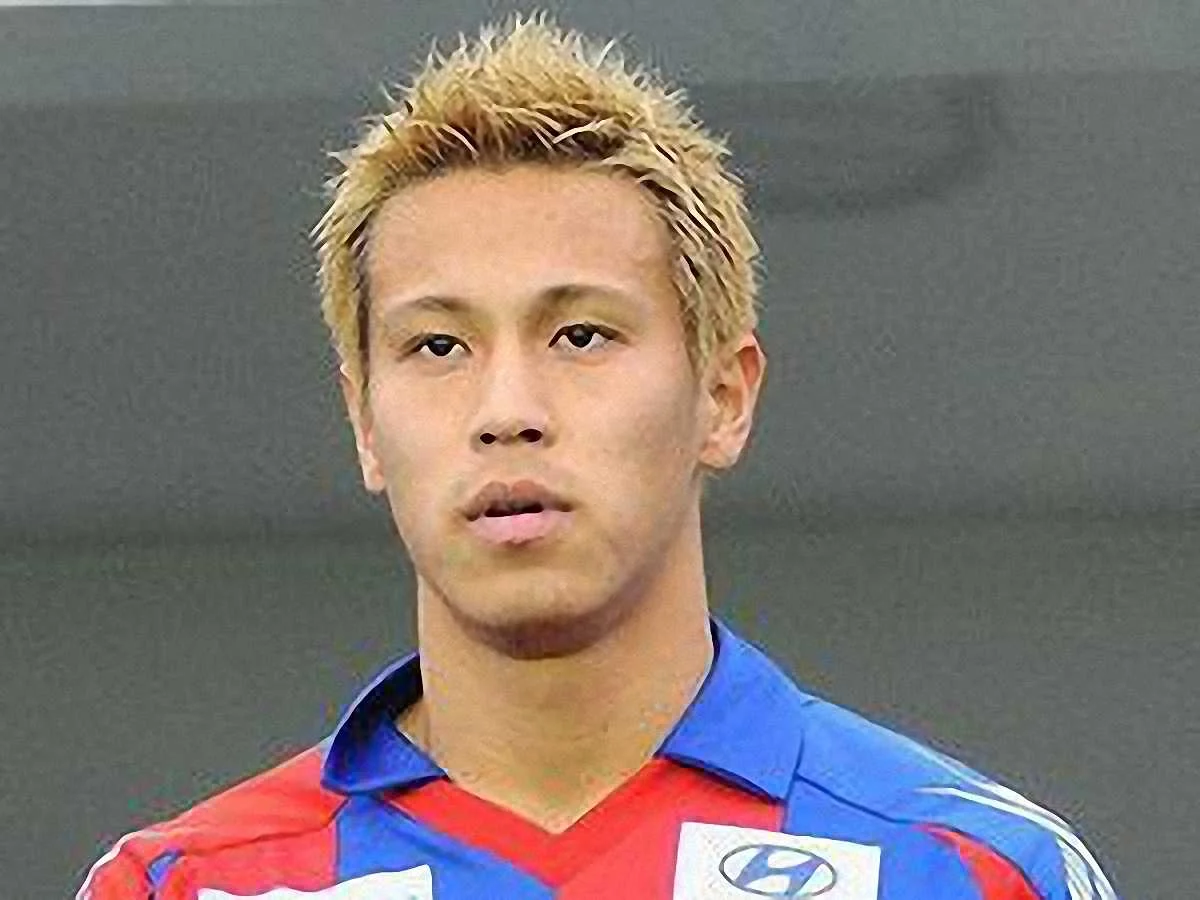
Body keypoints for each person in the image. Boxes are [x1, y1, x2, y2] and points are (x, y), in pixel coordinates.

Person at [77, 13, 1121, 900]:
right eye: (437, 346)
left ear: (723, 397)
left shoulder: (973, 868)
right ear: (363, 423)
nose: (507, 411)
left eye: (580, 335)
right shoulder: (180, 884)